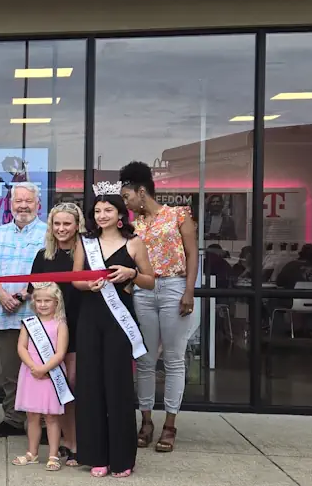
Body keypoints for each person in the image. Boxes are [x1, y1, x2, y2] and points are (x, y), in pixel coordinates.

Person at [73, 185, 156, 479]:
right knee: (91, 385)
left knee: (118, 386)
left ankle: (122, 458)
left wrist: (132, 274)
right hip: (90, 318)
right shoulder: (85, 243)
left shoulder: (134, 243)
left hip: (119, 321)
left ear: (121, 214)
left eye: (108, 210)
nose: (102, 215)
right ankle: (96, 455)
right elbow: (76, 279)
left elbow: (150, 281)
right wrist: (88, 285)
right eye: (97, 211)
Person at [121, 161, 197, 454]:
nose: (126, 203)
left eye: (128, 196)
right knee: (145, 358)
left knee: (175, 359)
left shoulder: (178, 215)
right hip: (143, 289)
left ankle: (170, 424)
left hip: (175, 287)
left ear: (142, 192)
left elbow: (191, 255)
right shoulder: (133, 225)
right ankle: (146, 421)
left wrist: (189, 291)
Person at [0, 182, 48, 438]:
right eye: (18, 201)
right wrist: (1, 294)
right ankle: (12, 419)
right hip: (6, 312)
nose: (23, 205)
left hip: (38, 313)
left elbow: (50, 271)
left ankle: (42, 424)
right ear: (10, 204)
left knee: (40, 370)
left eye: (28, 201)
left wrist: (23, 294)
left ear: (37, 204)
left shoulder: (47, 234)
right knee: (10, 372)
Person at [28, 202, 85, 466]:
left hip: (78, 326)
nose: (61, 229)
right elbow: (34, 291)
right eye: (57, 224)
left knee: (71, 386)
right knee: (57, 387)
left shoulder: (85, 254)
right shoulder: (43, 256)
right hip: (50, 331)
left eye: (67, 224)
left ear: (77, 226)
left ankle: (74, 442)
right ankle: (64, 442)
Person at [11, 283, 70, 472]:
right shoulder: (29, 323)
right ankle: (32, 453)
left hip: (51, 374)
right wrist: (33, 367)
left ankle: (53, 455)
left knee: (52, 417)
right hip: (31, 373)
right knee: (32, 416)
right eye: (39, 300)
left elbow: (61, 353)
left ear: (56, 302)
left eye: (47, 301)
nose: (43, 304)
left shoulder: (60, 325)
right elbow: (21, 347)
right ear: (33, 302)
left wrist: (44, 368)